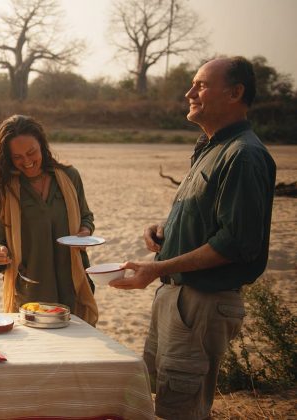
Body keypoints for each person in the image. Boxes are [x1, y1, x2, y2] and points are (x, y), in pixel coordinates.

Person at [111, 57, 276, 419]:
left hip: (201, 303)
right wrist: (165, 230)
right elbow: (209, 219)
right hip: (176, 299)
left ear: (235, 93)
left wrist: (157, 268)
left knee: (180, 410)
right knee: (160, 401)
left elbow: (235, 242)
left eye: (200, 85)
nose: (189, 93)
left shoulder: (244, 155)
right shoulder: (210, 147)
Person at [0, 115, 98, 326]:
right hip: (30, 292)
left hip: (73, 283)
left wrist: (85, 231)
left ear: (42, 145)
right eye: (17, 157)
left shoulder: (70, 177)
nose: (26, 161)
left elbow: (86, 216)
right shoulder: (5, 190)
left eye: (31, 152)